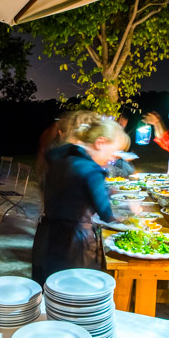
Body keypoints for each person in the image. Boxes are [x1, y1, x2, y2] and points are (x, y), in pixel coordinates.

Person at [31, 114, 129, 285]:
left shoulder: (60, 159)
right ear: (100, 143)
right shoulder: (91, 170)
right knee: (74, 293)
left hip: (46, 239)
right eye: (114, 153)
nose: (113, 159)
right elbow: (107, 214)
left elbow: (72, 194)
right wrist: (130, 209)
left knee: (48, 290)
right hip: (74, 246)